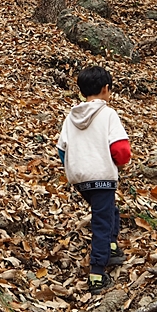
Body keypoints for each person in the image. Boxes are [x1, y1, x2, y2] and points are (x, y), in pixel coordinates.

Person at [56, 66, 131, 293]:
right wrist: (119, 163)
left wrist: (75, 166)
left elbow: (62, 149)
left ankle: (112, 247)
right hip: (102, 177)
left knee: (108, 212)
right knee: (102, 222)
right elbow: (121, 149)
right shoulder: (108, 115)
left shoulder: (71, 117)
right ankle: (97, 274)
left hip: (81, 179)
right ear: (106, 89)